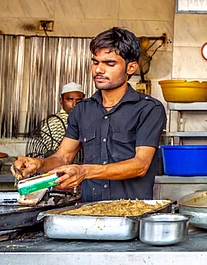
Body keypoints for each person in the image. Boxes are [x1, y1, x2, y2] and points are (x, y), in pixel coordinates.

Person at [13, 27, 167, 202]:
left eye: (109, 64)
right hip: (89, 211)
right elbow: (63, 156)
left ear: (131, 67)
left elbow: (140, 165)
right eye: (95, 62)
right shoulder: (82, 109)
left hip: (132, 214)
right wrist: (39, 164)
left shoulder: (149, 109)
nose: (98, 70)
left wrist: (84, 171)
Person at [28, 82, 85, 158]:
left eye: (78, 100)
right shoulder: (53, 123)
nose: (74, 104)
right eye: (70, 100)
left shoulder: (87, 121)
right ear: (61, 101)